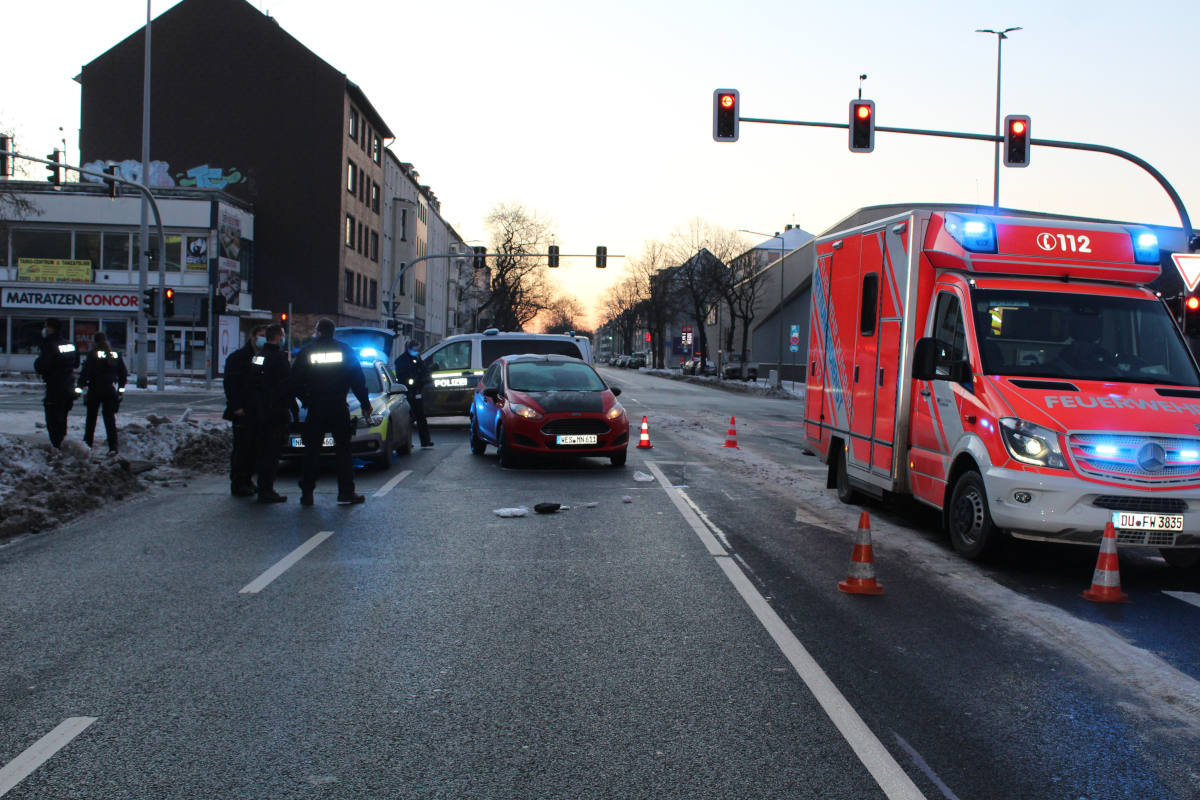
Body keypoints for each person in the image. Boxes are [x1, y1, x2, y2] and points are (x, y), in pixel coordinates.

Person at [290, 318, 377, 506]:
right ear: (333, 332)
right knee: (343, 450)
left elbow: (294, 381)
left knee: (312, 450)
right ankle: (346, 492)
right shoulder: (345, 351)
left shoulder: (308, 352)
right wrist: (365, 404)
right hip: (338, 406)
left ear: (318, 332)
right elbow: (357, 381)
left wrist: (306, 399)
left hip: (316, 408)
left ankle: (307, 493)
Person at [247, 324, 297, 503]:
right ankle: (267, 489)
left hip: (260, 411)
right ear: (278, 336)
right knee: (272, 452)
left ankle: (262, 486)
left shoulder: (259, 357)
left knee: (262, 451)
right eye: (282, 335)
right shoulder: (279, 358)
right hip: (276, 412)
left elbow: (253, 381)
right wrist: (293, 408)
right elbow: (287, 385)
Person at [223, 324, 266, 497]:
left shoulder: (259, 356)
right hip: (242, 410)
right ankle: (238, 482)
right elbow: (231, 384)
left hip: (255, 409)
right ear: (253, 336)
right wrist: (237, 406)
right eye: (261, 335)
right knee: (242, 448)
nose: (264, 338)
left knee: (252, 449)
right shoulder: (239, 357)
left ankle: (247, 480)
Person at [77, 331, 128, 455]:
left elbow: (85, 373)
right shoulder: (115, 354)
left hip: (95, 390)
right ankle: (113, 447)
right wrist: (120, 390)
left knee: (91, 419)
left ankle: (88, 445)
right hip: (110, 390)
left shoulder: (92, 355)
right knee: (110, 420)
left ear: (95, 342)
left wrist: (80, 387)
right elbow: (123, 373)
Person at [33, 318, 80, 448]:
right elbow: (76, 363)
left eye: (46, 326)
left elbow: (43, 366)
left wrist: (38, 363)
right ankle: (61, 443)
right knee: (62, 417)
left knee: (52, 418)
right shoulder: (69, 344)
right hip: (69, 385)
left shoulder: (50, 345)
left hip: (55, 386)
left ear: (51, 328)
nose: (44, 330)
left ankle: (57, 446)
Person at [393, 339, 433, 448]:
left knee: (421, 417)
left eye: (417, 349)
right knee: (408, 418)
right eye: (415, 349)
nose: (416, 351)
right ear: (409, 348)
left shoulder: (417, 358)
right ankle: (406, 442)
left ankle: (425, 441)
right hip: (407, 392)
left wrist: (424, 378)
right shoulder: (401, 361)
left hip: (417, 391)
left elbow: (423, 370)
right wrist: (410, 381)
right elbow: (402, 377)